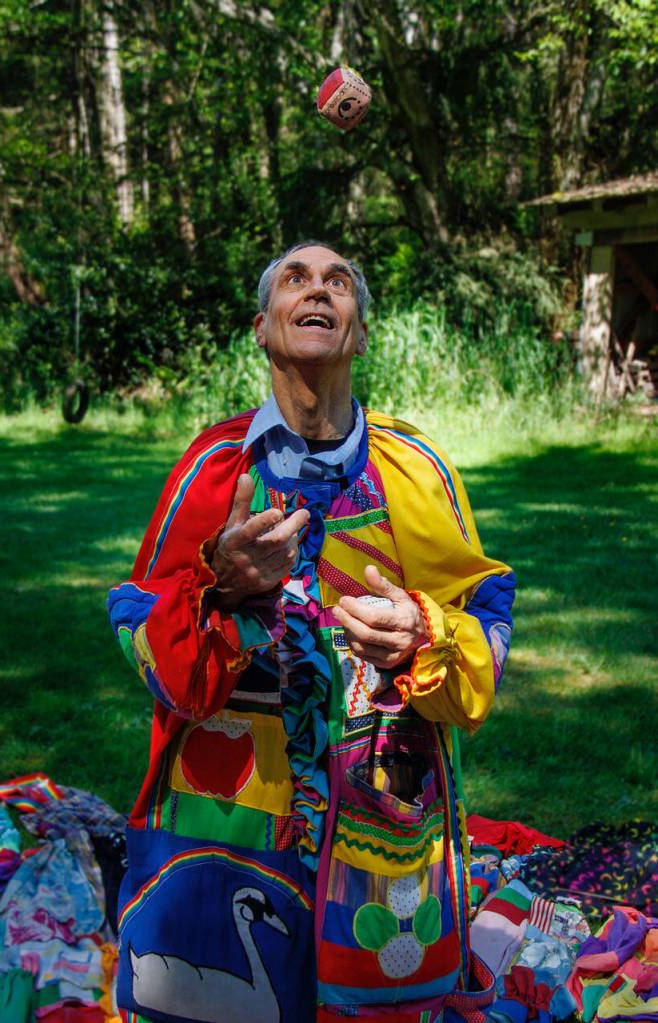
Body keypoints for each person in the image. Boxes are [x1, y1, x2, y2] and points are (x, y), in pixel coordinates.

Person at [108, 241, 516, 1023]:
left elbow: (486, 612)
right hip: (226, 814)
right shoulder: (214, 465)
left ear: (358, 335)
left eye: (338, 282)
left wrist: (424, 635)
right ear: (264, 328)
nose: (318, 289)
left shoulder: (416, 468)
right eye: (295, 278)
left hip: (382, 817)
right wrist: (219, 587)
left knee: (374, 1001)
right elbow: (137, 618)